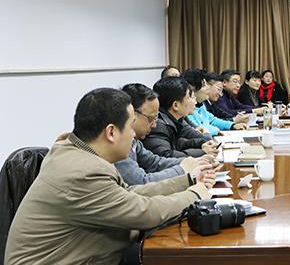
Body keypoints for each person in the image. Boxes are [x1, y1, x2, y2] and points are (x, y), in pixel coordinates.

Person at [4, 88, 212, 265]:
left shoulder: (75, 151)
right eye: (130, 126)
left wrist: (186, 181)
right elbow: (143, 212)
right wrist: (194, 196)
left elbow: (128, 194)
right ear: (111, 132)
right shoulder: (83, 173)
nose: (133, 134)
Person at [116, 83, 214, 185]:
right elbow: (140, 182)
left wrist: (192, 162)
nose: (154, 125)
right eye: (150, 119)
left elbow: (154, 162)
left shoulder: (134, 141)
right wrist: (183, 168)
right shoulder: (119, 143)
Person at [143, 76, 219, 158]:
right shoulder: (158, 125)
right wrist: (202, 152)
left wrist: (201, 144)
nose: (194, 102)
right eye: (189, 97)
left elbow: (178, 143)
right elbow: (165, 156)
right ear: (176, 105)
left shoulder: (176, 119)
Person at [181, 69, 249, 136]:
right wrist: (215, 130)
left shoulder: (201, 104)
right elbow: (197, 130)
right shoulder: (187, 108)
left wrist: (232, 125)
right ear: (192, 89)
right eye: (204, 85)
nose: (208, 88)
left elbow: (213, 120)